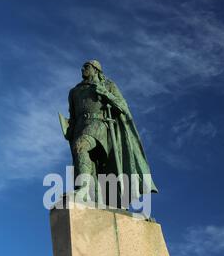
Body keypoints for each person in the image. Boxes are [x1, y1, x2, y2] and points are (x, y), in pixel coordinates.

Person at [61, 60, 158, 206]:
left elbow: (123, 106)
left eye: (86, 67)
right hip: (80, 127)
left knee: (81, 145)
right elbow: (73, 116)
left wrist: (105, 93)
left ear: (96, 70)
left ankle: (84, 189)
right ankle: (97, 197)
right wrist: (69, 129)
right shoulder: (74, 92)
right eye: (83, 67)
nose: (83, 69)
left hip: (100, 125)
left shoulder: (107, 85)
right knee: (93, 167)